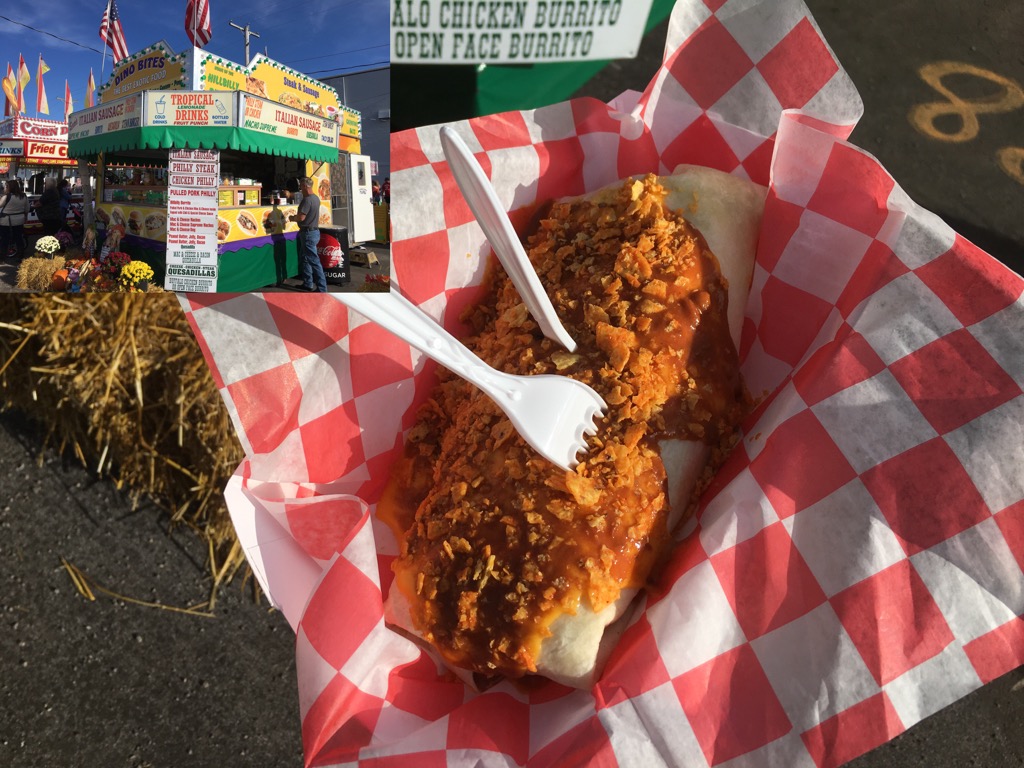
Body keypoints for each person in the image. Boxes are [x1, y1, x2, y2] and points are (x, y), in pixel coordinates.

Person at [289, 176, 325, 292]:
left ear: (305, 186)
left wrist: (292, 218)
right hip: (314, 232)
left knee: (314, 261)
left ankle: (322, 288)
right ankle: (308, 283)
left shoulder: (307, 200)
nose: (300, 188)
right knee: (305, 259)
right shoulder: (316, 198)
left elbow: (301, 217)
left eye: (300, 186)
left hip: (308, 233)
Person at [0, 179, 29, 260]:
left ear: (9, 187)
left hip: (6, 221)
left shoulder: (7, 196)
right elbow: (27, 209)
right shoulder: (23, 196)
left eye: (6, 186)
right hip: (19, 221)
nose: (5, 188)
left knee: (4, 238)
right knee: (18, 238)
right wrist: (25, 217)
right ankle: (20, 254)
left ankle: (2, 256)